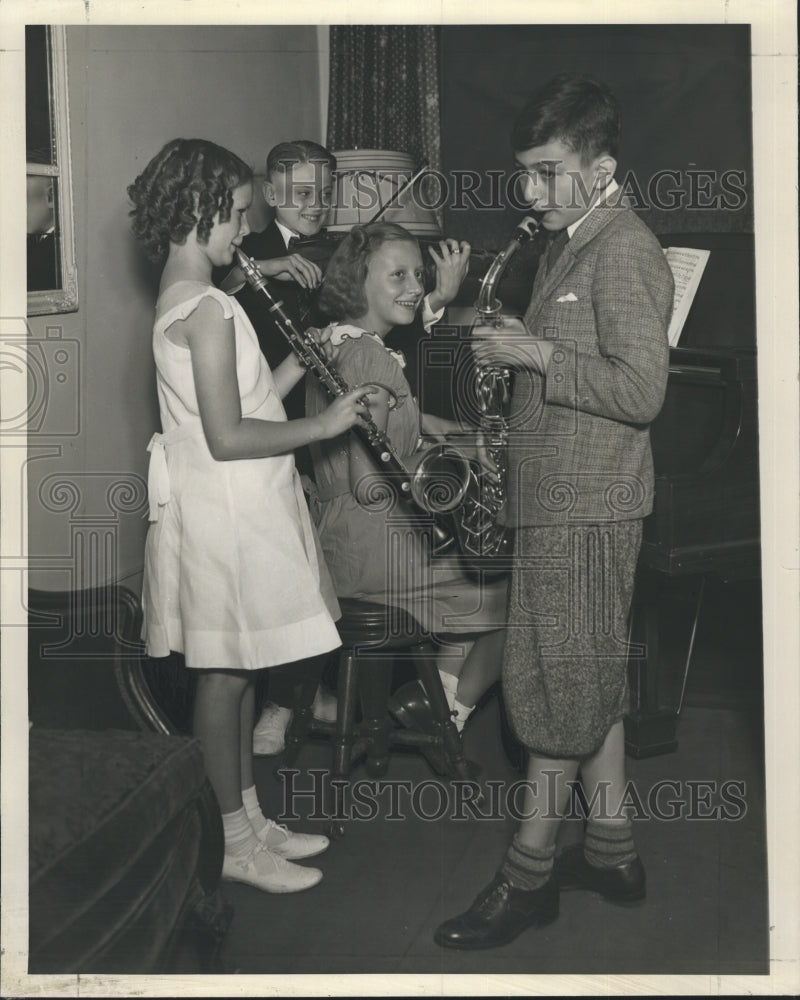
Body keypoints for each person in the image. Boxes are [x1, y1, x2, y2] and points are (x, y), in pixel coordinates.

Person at [433, 74, 674, 949]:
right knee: (589, 676)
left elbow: (642, 391)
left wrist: (531, 352)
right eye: (523, 174)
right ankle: (612, 854)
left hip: (586, 507)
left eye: (544, 172)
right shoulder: (571, 238)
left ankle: (526, 877)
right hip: (561, 496)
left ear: (600, 167)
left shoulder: (623, 247)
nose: (527, 192)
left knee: (553, 689)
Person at [128, 138, 372, 894]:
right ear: (198, 212)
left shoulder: (201, 299)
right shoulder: (203, 308)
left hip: (236, 503)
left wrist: (306, 357)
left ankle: (250, 819)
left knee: (238, 672)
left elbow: (246, 395)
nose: (244, 233)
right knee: (225, 676)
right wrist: (323, 427)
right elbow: (231, 435)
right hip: (226, 508)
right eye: (235, 216)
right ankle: (229, 838)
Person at [305, 220, 509, 742]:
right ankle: (445, 706)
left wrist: (450, 434)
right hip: (376, 542)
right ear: (357, 280)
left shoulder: (340, 345)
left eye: (418, 274)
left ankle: (431, 699)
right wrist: (460, 459)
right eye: (397, 275)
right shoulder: (371, 358)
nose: (415, 287)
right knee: (516, 594)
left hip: (341, 538)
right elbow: (374, 475)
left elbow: (383, 432)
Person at [215, 139, 339, 753]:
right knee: (285, 570)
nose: (315, 205)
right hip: (274, 424)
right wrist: (266, 272)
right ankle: (283, 700)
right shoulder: (243, 252)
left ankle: (308, 688)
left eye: (324, 193)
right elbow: (222, 288)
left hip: (333, 421)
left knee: (330, 562)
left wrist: (434, 302)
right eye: (300, 194)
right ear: (269, 196)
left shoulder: (341, 253)